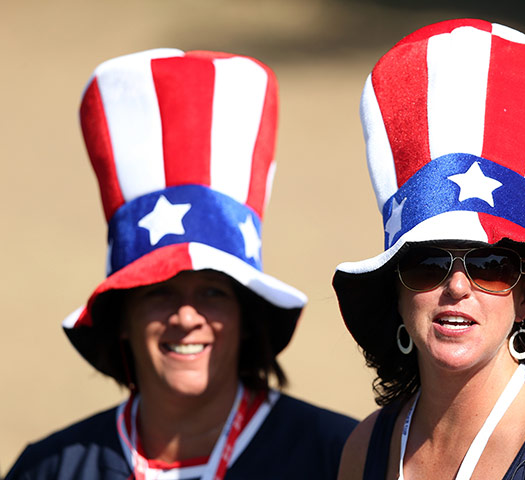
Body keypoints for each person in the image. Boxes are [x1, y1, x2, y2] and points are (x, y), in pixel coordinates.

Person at [7, 48, 356, 480]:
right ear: (121, 318)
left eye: (213, 292)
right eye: (159, 291)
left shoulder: (340, 458)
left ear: (246, 314)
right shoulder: (50, 469)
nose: (187, 317)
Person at [333, 19, 525, 480]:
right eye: (427, 264)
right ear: (396, 290)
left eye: (492, 266)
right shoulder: (367, 445)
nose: (456, 286)